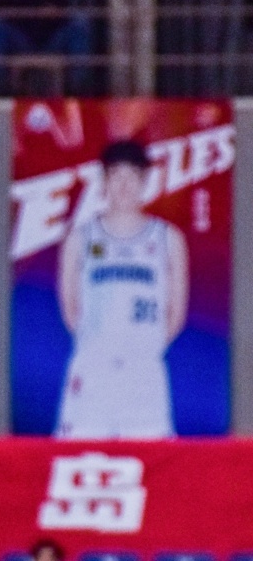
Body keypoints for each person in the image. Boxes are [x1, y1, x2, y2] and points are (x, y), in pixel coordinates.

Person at [55, 139, 189, 439]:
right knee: (81, 456)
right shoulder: (81, 238)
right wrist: (99, 346)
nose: (124, 186)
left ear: (145, 180)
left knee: (150, 458)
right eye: (116, 176)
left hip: (144, 372)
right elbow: (70, 306)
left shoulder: (169, 239)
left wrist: (143, 347)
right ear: (104, 181)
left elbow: (176, 313)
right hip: (93, 370)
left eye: (132, 177)